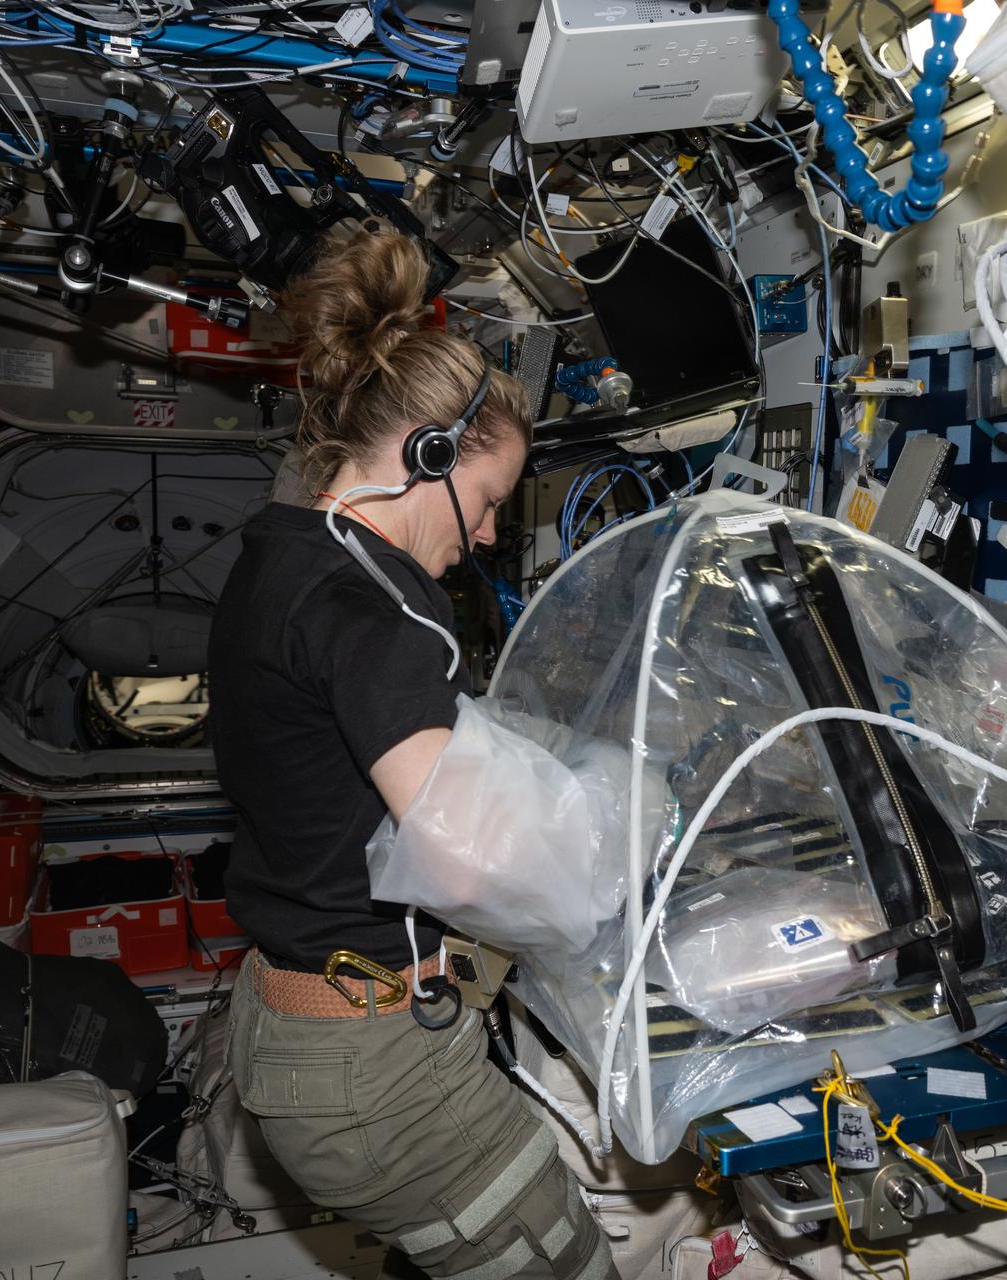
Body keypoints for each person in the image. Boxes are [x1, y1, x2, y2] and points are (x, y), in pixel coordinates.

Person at [208, 229, 617, 1280]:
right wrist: (610, 854)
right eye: (485, 502)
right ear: (427, 453)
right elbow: (473, 857)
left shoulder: (280, 557)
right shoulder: (371, 611)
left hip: (295, 1022)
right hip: (373, 1066)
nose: (485, 537)